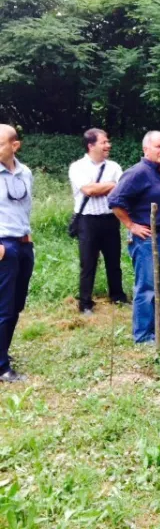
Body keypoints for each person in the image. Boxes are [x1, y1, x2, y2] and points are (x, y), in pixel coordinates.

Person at [108, 131, 160, 344]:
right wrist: (131, 225)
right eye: (159, 147)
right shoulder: (138, 172)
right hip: (148, 240)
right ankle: (143, 335)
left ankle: (156, 327)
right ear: (146, 149)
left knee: (159, 287)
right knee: (147, 288)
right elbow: (115, 200)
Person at [68, 129, 127, 315]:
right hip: (87, 221)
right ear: (91, 146)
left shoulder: (114, 167)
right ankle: (85, 303)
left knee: (114, 260)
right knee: (88, 262)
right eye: (103, 142)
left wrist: (105, 187)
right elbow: (89, 190)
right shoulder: (77, 167)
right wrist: (111, 185)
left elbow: (122, 189)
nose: (108, 145)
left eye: (108, 141)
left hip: (110, 219)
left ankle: (117, 296)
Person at [0, 125, 34, 382]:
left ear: (15, 146)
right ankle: (1, 367)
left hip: (23, 244)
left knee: (16, 304)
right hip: (3, 246)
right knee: (4, 307)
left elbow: (25, 207)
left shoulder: (26, 173)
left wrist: (27, 236)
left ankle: (3, 352)